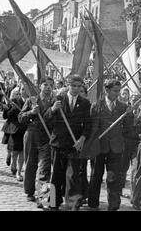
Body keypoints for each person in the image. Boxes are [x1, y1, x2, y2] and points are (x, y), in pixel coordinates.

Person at [86, 79, 133, 211]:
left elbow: (129, 128)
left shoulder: (123, 107)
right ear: (107, 90)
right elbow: (92, 128)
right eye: (115, 91)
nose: (118, 94)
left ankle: (113, 205)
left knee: (113, 177)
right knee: (96, 176)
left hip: (116, 148)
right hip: (99, 147)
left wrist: (129, 115)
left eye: (119, 91)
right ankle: (93, 204)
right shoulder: (96, 106)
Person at [47, 74, 92, 211]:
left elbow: (88, 126)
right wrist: (53, 109)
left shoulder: (85, 103)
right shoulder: (58, 99)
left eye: (79, 86)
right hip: (59, 143)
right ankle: (53, 202)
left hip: (74, 145)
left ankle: (72, 205)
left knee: (72, 176)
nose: (76, 89)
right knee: (56, 174)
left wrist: (82, 139)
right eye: (73, 86)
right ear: (68, 85)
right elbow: (46, 118)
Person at [18, 77, 55, 204]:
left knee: (45, 168)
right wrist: (31, 112)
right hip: (32, 136)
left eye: (51, 85)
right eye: (45, 84)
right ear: (40, 86)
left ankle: (44, 199)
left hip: (47, 137)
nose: (48, 87)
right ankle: (29, 192)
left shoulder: (55, 102)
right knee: (30, 165)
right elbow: (21, 118)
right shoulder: (32, 100)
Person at [1, 86, 28, 181]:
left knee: (23, 152)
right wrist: (8, 108)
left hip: (25, 130)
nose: (24, 91)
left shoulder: (31, 101)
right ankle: (13, 163)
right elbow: (6, 116)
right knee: (15, 151)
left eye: (26, 89)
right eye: (22, 89)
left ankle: (19, 172)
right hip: (14, 130)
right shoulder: (13, 101)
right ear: (20, 91)